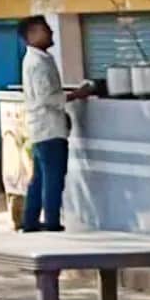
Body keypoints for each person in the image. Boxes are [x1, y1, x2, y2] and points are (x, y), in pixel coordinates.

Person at [18, 15, 88, 233]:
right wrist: (76, 95)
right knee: (53, 178)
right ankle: (51, 222)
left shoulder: (40, 59)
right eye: (44, 29)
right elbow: (47, 97)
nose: (50, 32)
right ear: (31, 35)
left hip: (44, 128)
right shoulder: (37, 63)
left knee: (40, 178)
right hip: (48, 129)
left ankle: (30, 221)